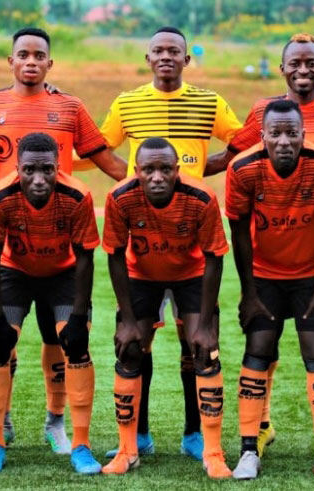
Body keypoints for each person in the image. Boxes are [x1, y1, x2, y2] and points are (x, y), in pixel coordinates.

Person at [0, 27, 125, 455]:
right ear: (11, 61)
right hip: (7, 238)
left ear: (50, 63)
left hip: (56, 237)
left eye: (39, 55)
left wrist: (142, 188)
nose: (31, 61)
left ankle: (57, 423)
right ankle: (4, 423)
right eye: (23, 54)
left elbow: (103, 158)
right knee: (3, 337)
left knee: (63, 339)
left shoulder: (69, 106)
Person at [210, 33, 314, 463]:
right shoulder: (261, 113)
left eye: (312, 63)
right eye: (295, 63)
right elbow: (234, 156)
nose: (303, 70)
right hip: (273, 254)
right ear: (282, 68)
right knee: (262, 343)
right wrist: (181, 171)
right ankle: (260, 426)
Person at [96, 26, 242, 461]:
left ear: (186, 59)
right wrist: (132, 178)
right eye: (158, 50)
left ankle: (195, 434)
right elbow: (100, 148)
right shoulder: (127, 103)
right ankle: (136, 437)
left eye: (173, 51)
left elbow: (241, 141)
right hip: (144, 241)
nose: (165, 57)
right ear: (147, 57)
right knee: (135, 342)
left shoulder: (208, 102)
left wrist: (201, 172)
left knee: (197, 343)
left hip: (190, 239)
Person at [225, 99, 314, 480]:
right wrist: (249, 293)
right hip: (264, 277)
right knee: (258, 348)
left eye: (291, 132)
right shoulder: (242, 168)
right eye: (275, 133)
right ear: (262, 136)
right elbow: (239, 233)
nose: (283, 140)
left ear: (303, 134)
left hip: (309, 276)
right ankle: (248, 450)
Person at [101, 137, 231, 478]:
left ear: (177, 171)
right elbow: (114, 255)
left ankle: (211, 450)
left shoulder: (201, 197)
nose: (157, 176)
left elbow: (214, 258)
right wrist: (127, 319)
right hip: (141, 274)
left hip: (191, 274)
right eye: (148, 169)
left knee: (204, 349)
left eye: (164, 169)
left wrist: (203, 324)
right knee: (129, 347)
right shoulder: (120, 197)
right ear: (137, 171)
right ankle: (129, 449)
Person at [0, 132, 102, 474]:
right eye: (29, 170)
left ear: (59, 167)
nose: (39, 178)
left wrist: (79, 313)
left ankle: (80, 443)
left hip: (63, 275)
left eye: (47, 169)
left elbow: (86, 258)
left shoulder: (77, 195)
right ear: (17, 168)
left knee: (76, 344)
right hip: (15, 272)